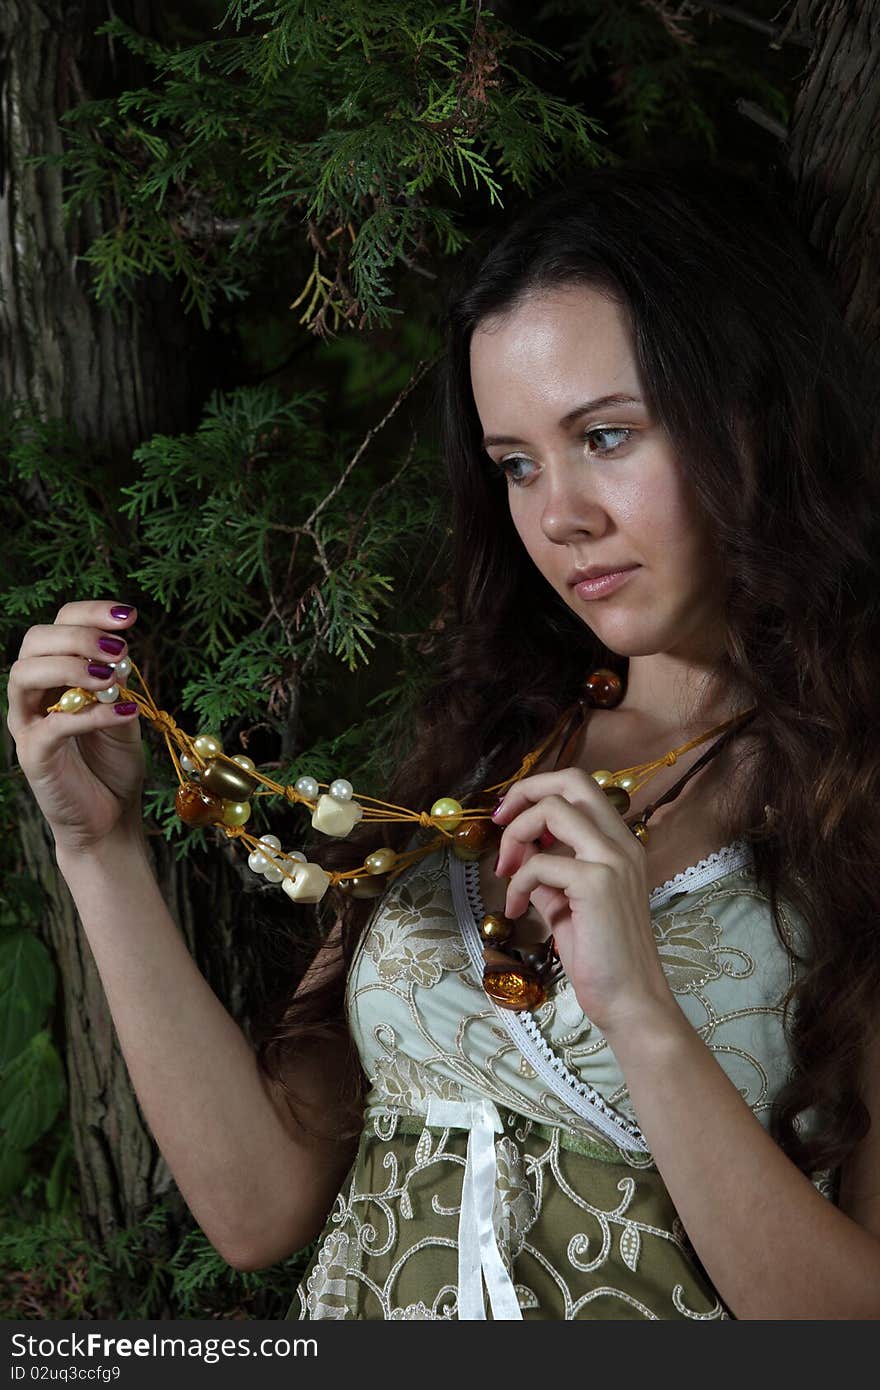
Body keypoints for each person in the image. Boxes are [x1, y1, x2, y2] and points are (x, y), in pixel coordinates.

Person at [7, 158, 880, 1320]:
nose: (559, 514)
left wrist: (640, 1015)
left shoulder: (854, 798)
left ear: (754, 417)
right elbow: (258, 1205)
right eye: (516, 464)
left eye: (607, 436)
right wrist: (100, 852)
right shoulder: (483, 755)